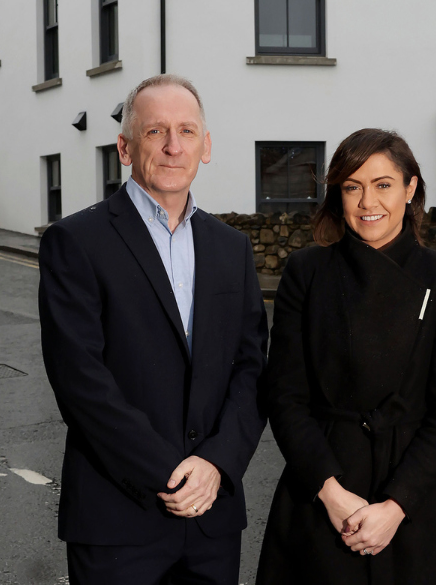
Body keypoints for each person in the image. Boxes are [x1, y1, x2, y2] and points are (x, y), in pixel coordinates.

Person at [38, 74, 268, 585]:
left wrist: (215, 465)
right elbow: (81, 383)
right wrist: (171, 474)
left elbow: (251, 370)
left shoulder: (232, 249)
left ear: (205, 148)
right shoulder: (75, 242)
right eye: (154, 132)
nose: (172, 146)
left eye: (187, 132)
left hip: (213, 519)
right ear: (125, 146)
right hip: (119, 517)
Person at [256, 129, 436, 585]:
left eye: (382, 185)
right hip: (321, 492)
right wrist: (332, 494)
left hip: (410, 502)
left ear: (410, 188)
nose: (367, 201)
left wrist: (396, 506)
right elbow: (285, 396)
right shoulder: (306, 272)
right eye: (352, 187)